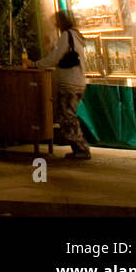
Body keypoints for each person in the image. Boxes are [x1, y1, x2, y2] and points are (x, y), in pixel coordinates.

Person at [35, 10, 91, 160]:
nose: (55, 24)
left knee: (67, 117)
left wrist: (36, 64)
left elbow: (55, 58)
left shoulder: (67, 36)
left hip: (69, 83)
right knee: (69, 116)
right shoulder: (77, 36)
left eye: (57, 21)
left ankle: (81, 148)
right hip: (78, 82)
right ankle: (79, 148)